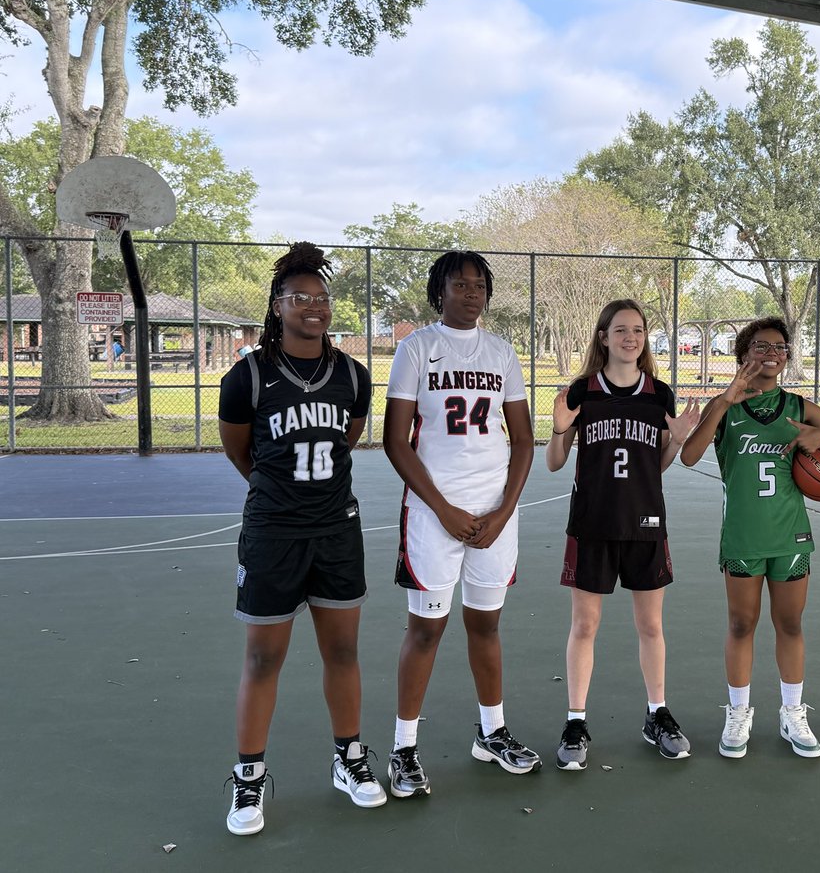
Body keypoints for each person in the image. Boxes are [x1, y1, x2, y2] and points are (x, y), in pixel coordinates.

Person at [218, 242, 382, 837]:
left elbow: (349, 438)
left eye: (321, 298)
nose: (313, 307)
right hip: (273, 535)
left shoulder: (352, 375)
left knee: (342, 652)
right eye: (299, 298)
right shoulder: (249, 376)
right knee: (264, 658)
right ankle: (249, 777)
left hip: (337, 531)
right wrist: (278, 500)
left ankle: (349, 758)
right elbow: (242, 452)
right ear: (278, 305)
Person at [383, 250, 539, 798]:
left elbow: (523, 440)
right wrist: (444, 508)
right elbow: (394, 442)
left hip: (494, 512)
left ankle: (491, 733)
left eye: (479, 285)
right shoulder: (417, 348)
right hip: (433, 512)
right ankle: (403, 747)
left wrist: (503, 510)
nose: (471, 293)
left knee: (487, 625)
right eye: (460, 284)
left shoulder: (501, 352)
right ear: (439, 291)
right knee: (426, 629)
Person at [680, 317, 820, 760]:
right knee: (741, 624)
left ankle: (792, 712)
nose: (771, 354)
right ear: (744, 353)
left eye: (780, 347)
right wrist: (724, 402)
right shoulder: (725, 407)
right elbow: (689, 456)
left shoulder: (799, 407)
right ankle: (739, 711)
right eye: (761, 346)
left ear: (787, 356)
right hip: (744, 536)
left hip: (791, 536)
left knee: (790, 624)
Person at [545, 299, 701, 770]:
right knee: (585, 625)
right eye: (620, 330)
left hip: (645, 523)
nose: (630, 338)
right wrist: (557, 431)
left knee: (651, 625)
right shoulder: (580, 391)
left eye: (637, 330)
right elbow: (555, 462)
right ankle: (575, 721)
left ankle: (657, 713)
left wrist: (675, 437)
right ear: (603, 337)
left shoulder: (660, 395)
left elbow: (658, 466)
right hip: (592, 523)